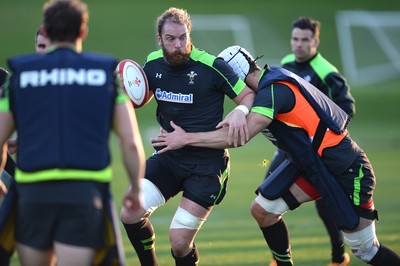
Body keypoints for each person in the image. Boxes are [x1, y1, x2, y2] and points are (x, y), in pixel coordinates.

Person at [150, 45, 400, 265]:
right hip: (315, 167)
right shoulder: (270, 85)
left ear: (240, 76)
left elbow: (239, 137)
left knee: (366, 250)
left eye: (232, 83)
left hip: (347, 168)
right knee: (263, 210)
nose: (232, 90)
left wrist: (185, 138)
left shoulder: (273, 91)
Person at [0, 0, 146, 265]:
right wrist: (136, 188)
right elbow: (131, 143)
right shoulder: (104, 75)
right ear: (82, 32)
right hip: (84, 195)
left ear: (47, 30)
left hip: (32, 195)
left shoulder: (20, 76)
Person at [120, 7, 255, 266]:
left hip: (207, 165)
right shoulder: (153, 62)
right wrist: (127, 86)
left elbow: (248, 95)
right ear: (159, 39)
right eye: (171, 39)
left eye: (183, 37)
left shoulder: (212, 65)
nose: (179, 45)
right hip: (170, 156)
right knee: (129, 211)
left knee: (179, 243)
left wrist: (240, 110)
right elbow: (141, 98)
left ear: (189, 35)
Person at [265, 16, 356, 266]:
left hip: (317, 150)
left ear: (315, 41)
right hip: (288, 148)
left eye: (305, 40)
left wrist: (319, 134)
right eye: (295, 39)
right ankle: (279, 256)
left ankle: (339, 256)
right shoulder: (286, 63)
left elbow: (346, 108)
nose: (299, 44)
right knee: (266, 195)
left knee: (325, 204)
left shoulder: (326, 72)